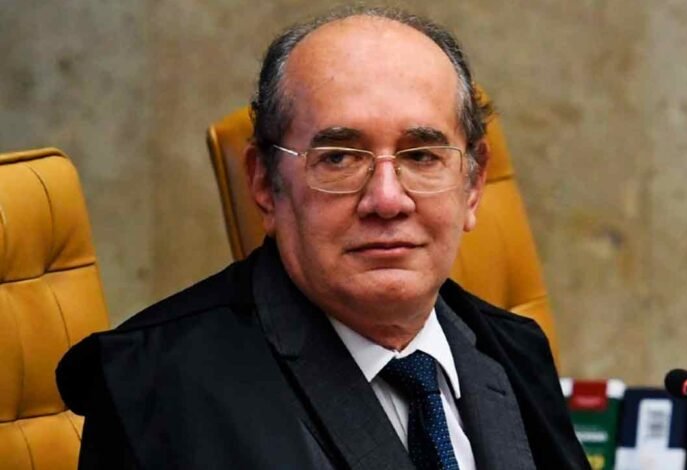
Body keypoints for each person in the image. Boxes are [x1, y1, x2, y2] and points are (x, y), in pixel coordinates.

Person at [57, 6, 589, 469]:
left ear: (472, 185)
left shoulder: (513, 351)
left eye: (422, 156)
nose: (387, 199)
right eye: (338, 158)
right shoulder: (155, 389)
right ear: (264, 183)